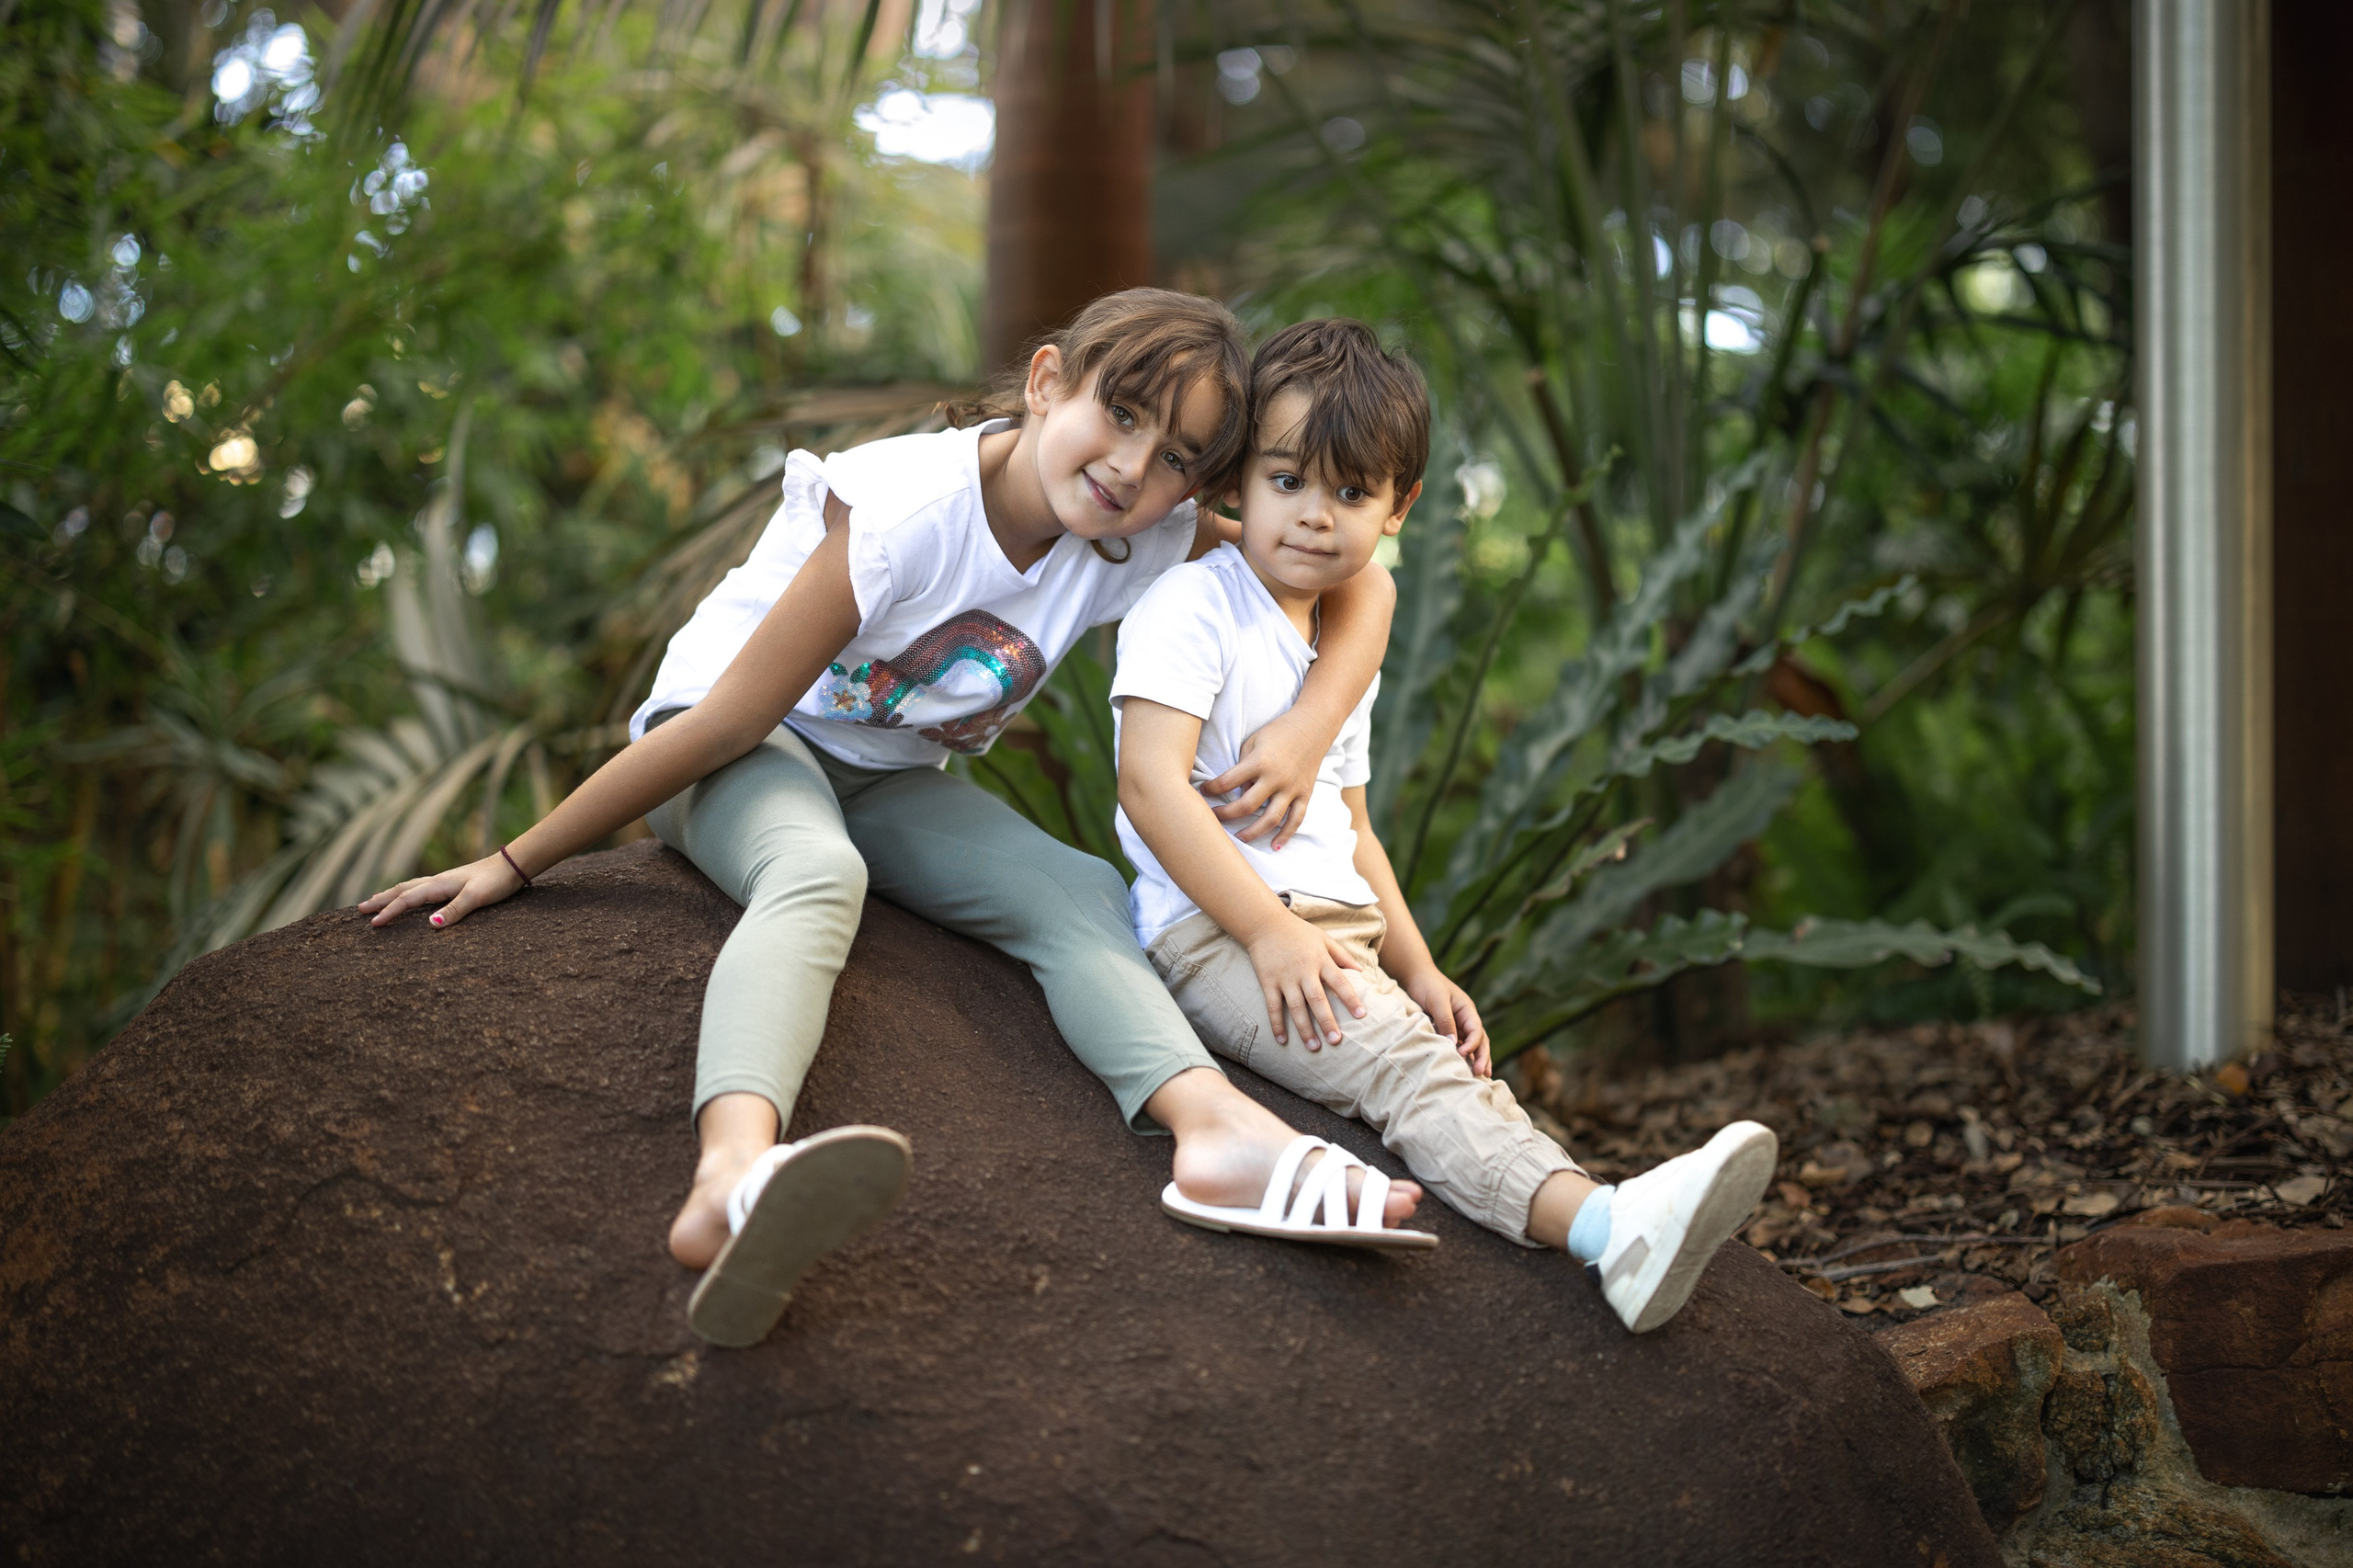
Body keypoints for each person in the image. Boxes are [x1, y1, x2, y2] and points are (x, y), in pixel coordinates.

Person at [360, 290, 1429, 1349]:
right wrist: (518, 858)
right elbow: (731, 715)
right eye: (1122, 412)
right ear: (1049, 379)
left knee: (1082, 894)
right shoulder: (909, 512)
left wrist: (1305, 729)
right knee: (817, 872)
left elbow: (1358, 575)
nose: (1132, 466)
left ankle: (1211, 1132)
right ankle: (728, 1176)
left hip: (890, 776)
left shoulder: (1136, 532)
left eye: (1177, 460)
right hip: (738, 744)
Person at [1110, 318, 1777, 1331]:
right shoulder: (1192, 607)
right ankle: (1607, 1231)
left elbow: (1353, 827)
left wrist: (1419, 967)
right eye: (1286, 481)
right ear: (1234, 483)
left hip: (1329, 928)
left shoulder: (1336, 636)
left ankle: (1597, 1210)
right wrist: (1266, 931)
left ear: (1398, 507)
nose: (1313, 517)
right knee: (1405, 1072)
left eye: (1349, 492)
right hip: (1222, 934)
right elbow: (1147, 786)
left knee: (1433, 1057)